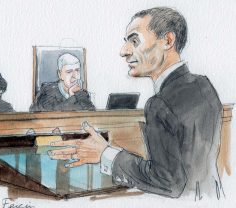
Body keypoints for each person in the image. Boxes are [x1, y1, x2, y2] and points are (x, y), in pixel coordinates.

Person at [48, 7, 223, 199]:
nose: (124, 51)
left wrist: (105, 154)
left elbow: (168, 182)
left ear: (167, 41)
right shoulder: (204, 86)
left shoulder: (159, 104)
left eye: (134, 41)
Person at [29, 53, 95, 112]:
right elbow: (50, 114)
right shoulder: (48, 91)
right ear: (60, 74)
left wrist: (72, 94)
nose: (75, 76)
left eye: (77, 70)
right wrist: (72, 97)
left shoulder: (82, 94)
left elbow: (92, 115)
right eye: (69, 72)